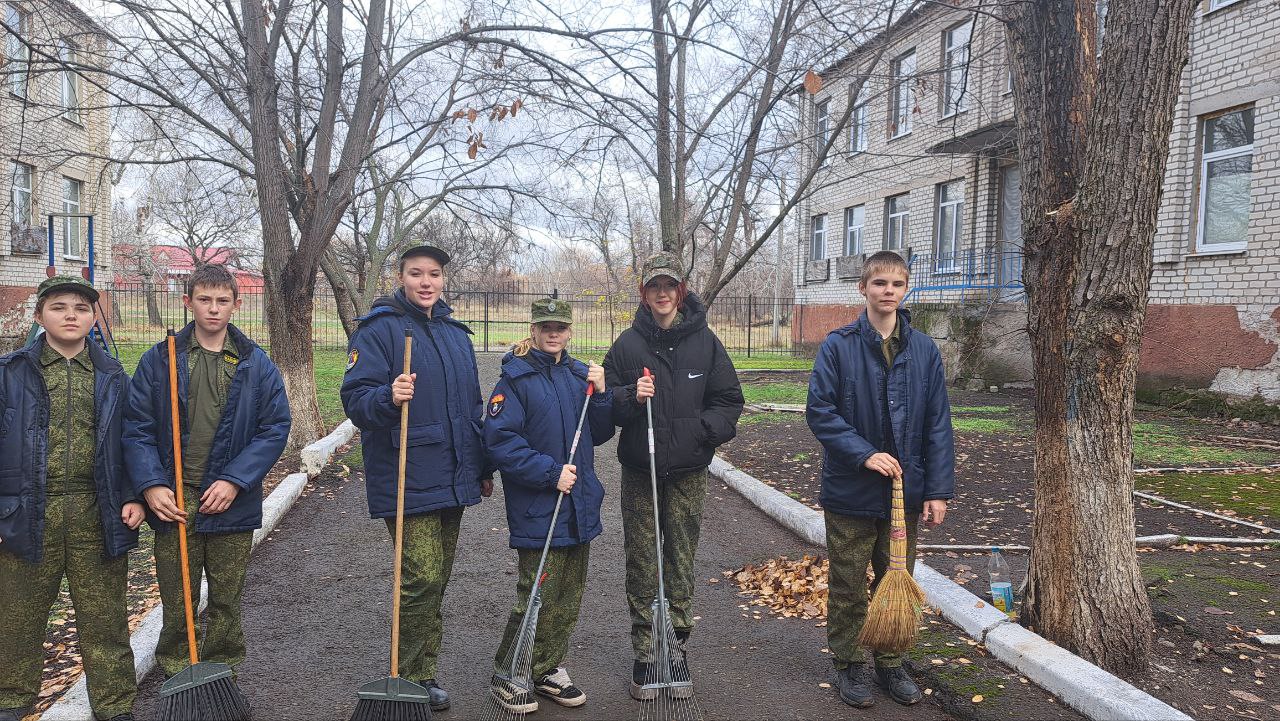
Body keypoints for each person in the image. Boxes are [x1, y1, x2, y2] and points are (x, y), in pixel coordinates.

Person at [341, 244, 493, 712]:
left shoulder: (454, 334)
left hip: (453, 475)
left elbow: (472, 409)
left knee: (437, 579)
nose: (425, 282)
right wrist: (388, 395)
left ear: (443, 280)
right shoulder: (379, 330)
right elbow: (356, 402)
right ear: (400, 277)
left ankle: (424, 673)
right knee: (422, 578)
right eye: (415, 274)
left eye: (433, 274)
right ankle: (407, 677)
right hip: (408, 473)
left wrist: (483, 467)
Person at [124, 263, 290, 685]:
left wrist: (236, 479)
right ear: (187, 302)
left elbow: (274, 428)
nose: (213, 309)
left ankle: (223, 675)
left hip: (231, 498)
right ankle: (179, 675)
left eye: (222, 301)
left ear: (237, 304)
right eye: (204, 300)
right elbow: (137, 426)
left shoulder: (256, 363)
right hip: (176, 497)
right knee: (177, 596)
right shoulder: (161, 359)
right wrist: (152, 484)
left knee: (226, 597)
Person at [805, 250, 955, 708]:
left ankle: (890, 662)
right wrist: (865, 454)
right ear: (863, 289)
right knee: (849, 582)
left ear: (905, 290)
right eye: (880, 284)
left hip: (903, 493)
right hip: (851, 489)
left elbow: (937, 423)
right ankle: (849, 663)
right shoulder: (839, 345)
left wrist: (937, 490)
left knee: (897, 576)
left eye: (896, 284)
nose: (888, 292)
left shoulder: (924, 350)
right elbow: (821, 413)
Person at [0, 276, 144, 721]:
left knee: (105, 618)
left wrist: (134, 494)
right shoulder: (10, 373)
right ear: (39, 314)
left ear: (92, 317)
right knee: (17, 616)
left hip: (95, 511)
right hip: (24, 510)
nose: (70, 315)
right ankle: (10, 698)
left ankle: (115, 704)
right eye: (59, 307)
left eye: (81, 308)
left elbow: (133, 440)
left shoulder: (113, 376)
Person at [603, 251, 744, 700]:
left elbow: (728, 399)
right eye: (653, 287)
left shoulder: (706, 343)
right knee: (643, 560)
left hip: (687, 472)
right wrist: (630, 395)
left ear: (680, 291)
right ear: (643, 293)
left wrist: (702, 435)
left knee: (680, 560)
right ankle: (646, 652)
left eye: (669, 286)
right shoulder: (627, 345)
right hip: (640, 472)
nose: (661, 294)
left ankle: (675, 648)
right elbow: (606, 409)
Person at [484, 298, 614, 713]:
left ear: (570, 330)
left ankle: (545, 666)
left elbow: (598, 431)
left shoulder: (580, 376)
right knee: (536, 593)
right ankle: (508, 672)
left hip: (579, 505)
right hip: (541, 504)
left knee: (568, 595)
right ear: (535, 329)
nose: (553, 333)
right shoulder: (515, 380)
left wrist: (603, 392)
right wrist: (548, 472)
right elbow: (501, 441)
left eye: (560, 326)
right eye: (546, 326)